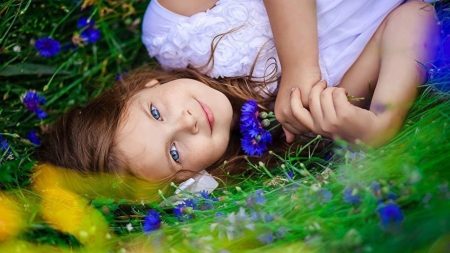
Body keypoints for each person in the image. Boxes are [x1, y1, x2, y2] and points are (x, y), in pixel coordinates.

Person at [37, 0, 438, 193]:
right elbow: (414, 15)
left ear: (143, 87)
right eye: (175, 153)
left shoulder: (176, 29)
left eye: (156, 113)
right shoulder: (297, 126)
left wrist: (299, 68)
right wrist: (379, 121)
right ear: (194, 180)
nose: (186, 122)